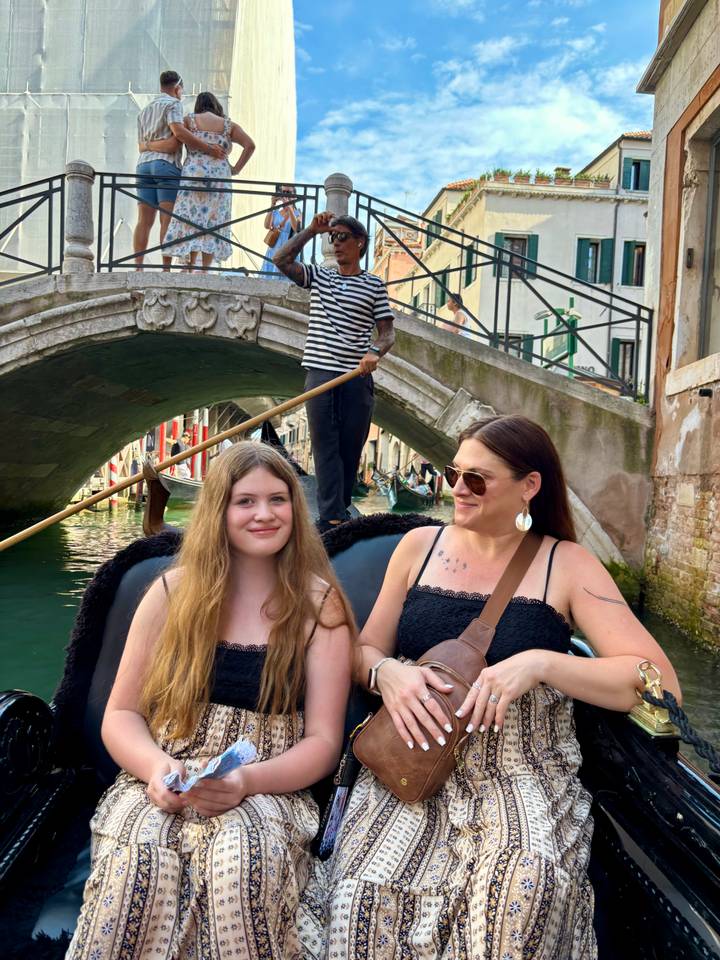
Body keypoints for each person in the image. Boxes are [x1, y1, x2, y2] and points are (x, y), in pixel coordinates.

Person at [326, 414, 681, 958]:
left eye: (477, 479)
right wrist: (387, 673)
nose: (458, 491)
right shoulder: (417, 547)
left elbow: (658, 684)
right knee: (366, 898)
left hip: (521, 771)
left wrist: (542, 663)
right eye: (453, 474)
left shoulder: (567, 565)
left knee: (519, 893)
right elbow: (361, 650)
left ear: (529, 487)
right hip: (412, 764)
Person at [65, 441, 353, 960]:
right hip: (164, 774)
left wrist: (245, 781)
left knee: (240, 864)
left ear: (295, 507)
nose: (264, 514)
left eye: (278, 499)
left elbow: (324, 741)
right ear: (218, 510)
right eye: (245, 501)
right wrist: (156, 769)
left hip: (270, 784)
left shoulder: (319, 604)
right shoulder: (171, 593)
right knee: (139, 862)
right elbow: (122, 714)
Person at [273, 212, 395, 533]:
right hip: (321, 375)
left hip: (356, 378)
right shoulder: (320, 276)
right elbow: (281, 260)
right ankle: (330, 519)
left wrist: (374, 352)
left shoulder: (373, 285)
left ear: (360, 243)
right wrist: (312, 231)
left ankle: (338, 512)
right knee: (325, 447)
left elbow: (387, 334)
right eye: (333, 237)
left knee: (350, 449)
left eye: (343, 237)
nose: (336, 243)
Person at [133, 71, 228, 270]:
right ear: (177, 88)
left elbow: (142, 146)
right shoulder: (173, 104)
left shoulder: (144, 111)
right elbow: (175, 138)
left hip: (143, 167)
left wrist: (150, 146)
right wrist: (209, 148)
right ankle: (166, 268)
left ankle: (138, 266)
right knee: (166, 218)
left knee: (144, 220)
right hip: (166, 166)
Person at [156, 91, 255, 270]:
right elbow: (250, 145)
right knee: (213, 222)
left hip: (193, 174)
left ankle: (191, 264)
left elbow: (175, 139)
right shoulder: (228, 125)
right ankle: (205, 270)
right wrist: (236, 169)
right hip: (220, 177)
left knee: (190, 219)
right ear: (216, 106)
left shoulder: (189, 120)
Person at [263, 186, 301, 277]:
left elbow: (296, 228)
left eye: (289, 193)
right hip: (274, 249)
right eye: (284, 192)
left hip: (288, 250)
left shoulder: (298, 213)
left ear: (295, 197)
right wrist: (272, 204)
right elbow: (267, 225)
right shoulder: (276, 212)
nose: (286, 195)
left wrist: (290, 208)